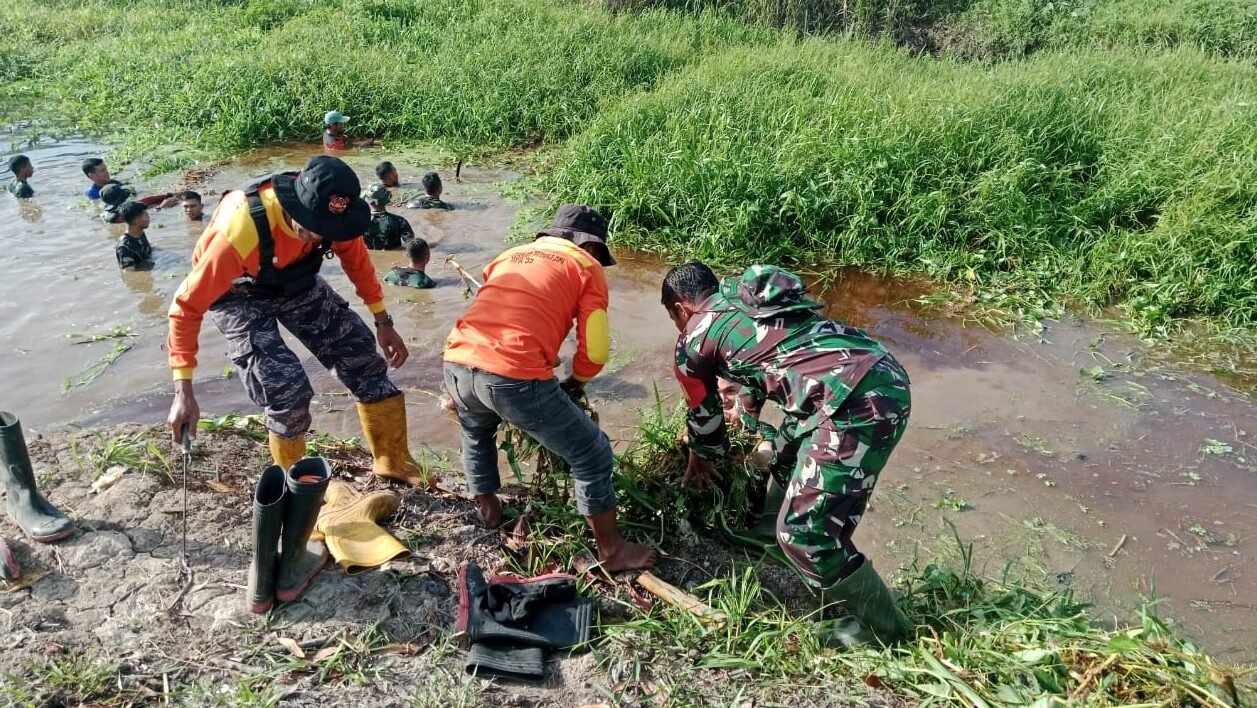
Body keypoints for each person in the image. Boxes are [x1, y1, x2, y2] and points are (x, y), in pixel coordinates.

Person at [661, 261, 913, 647]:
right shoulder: (738, 299)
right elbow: (763, 367)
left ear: (680, 309)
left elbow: (704, 415)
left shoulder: (693, 339)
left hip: (855, 406)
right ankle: (768, 542)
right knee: (783, 456)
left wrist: (703, 454)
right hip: (879, 371)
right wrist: (746, 422)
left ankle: (886, 631)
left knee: (807, 533)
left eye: (673, 319)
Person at [165, 155, 430, 489]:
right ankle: (298, 491)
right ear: (296, 209)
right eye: (314, 230)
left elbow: (358, 263)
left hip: (294, 281)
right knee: (286, 388)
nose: (322, 238)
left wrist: (382, 320)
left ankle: (393, 460)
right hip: (237, 292)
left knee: (361, 356)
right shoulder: (239, 230)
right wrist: (183, 391)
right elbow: (185, 307)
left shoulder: (336, 219)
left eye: (329, 233)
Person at [443, 204, 655, 573]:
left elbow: (509, 312)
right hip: (510, 375)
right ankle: (611, 551)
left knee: (476, 431)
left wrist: (542, 350)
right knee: (591, 451)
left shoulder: (509, 255)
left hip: (456, 359)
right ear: (592, 248)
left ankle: (490, 511)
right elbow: (597, 349)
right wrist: (576, 381)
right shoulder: (585, 267)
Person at [361, 183, 414, 250]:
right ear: (386, 199)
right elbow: (411, 245)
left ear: (368, 200)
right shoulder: (399, 221)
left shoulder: (360, 221)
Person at [115, 201, 155, 270]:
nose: (149, 219)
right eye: (146, 216)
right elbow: (129, 274)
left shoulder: (140, 233)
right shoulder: (125, 247)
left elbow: (148, 251)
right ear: (136, 221)